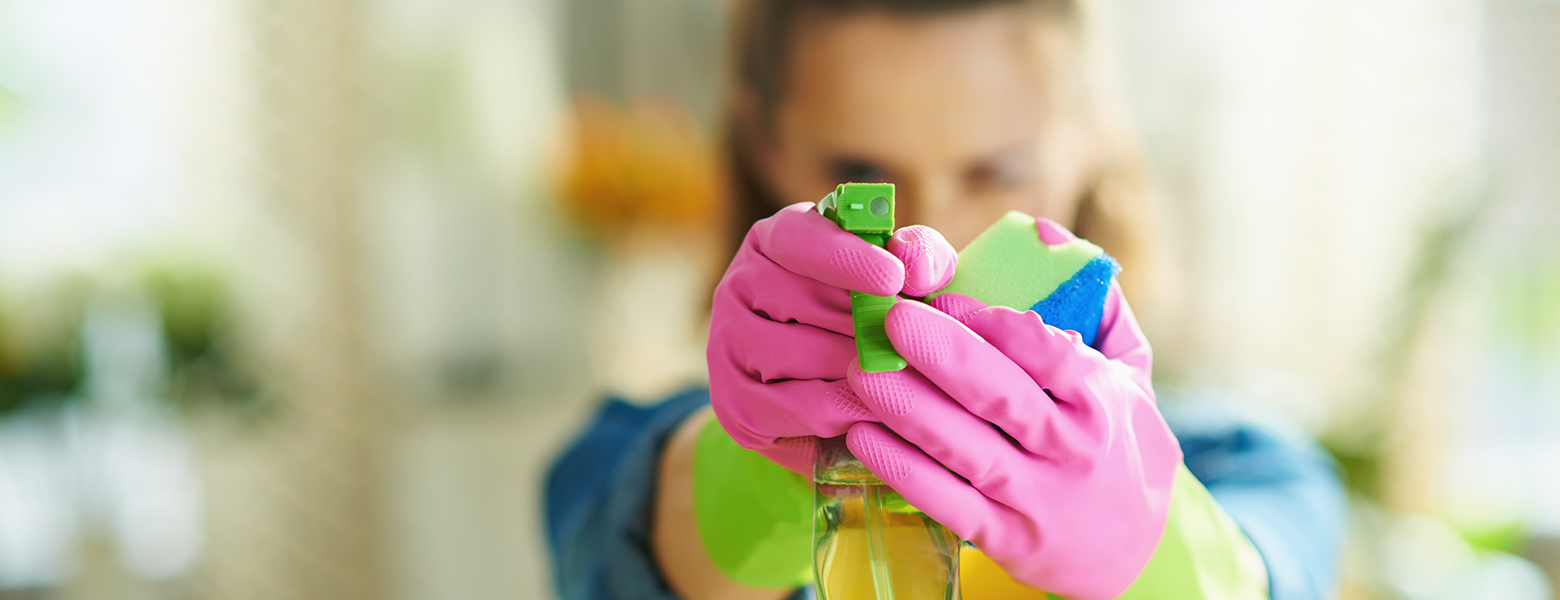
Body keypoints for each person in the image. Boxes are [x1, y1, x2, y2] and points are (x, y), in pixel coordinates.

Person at [545, 0, 1347, 599]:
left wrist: (1153, 551)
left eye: (995, 169)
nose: (929, 233)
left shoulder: (1253, 465)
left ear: (1090, 135)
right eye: (859, 175)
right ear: (763, 145)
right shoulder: (621, 457)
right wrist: (777, 462)